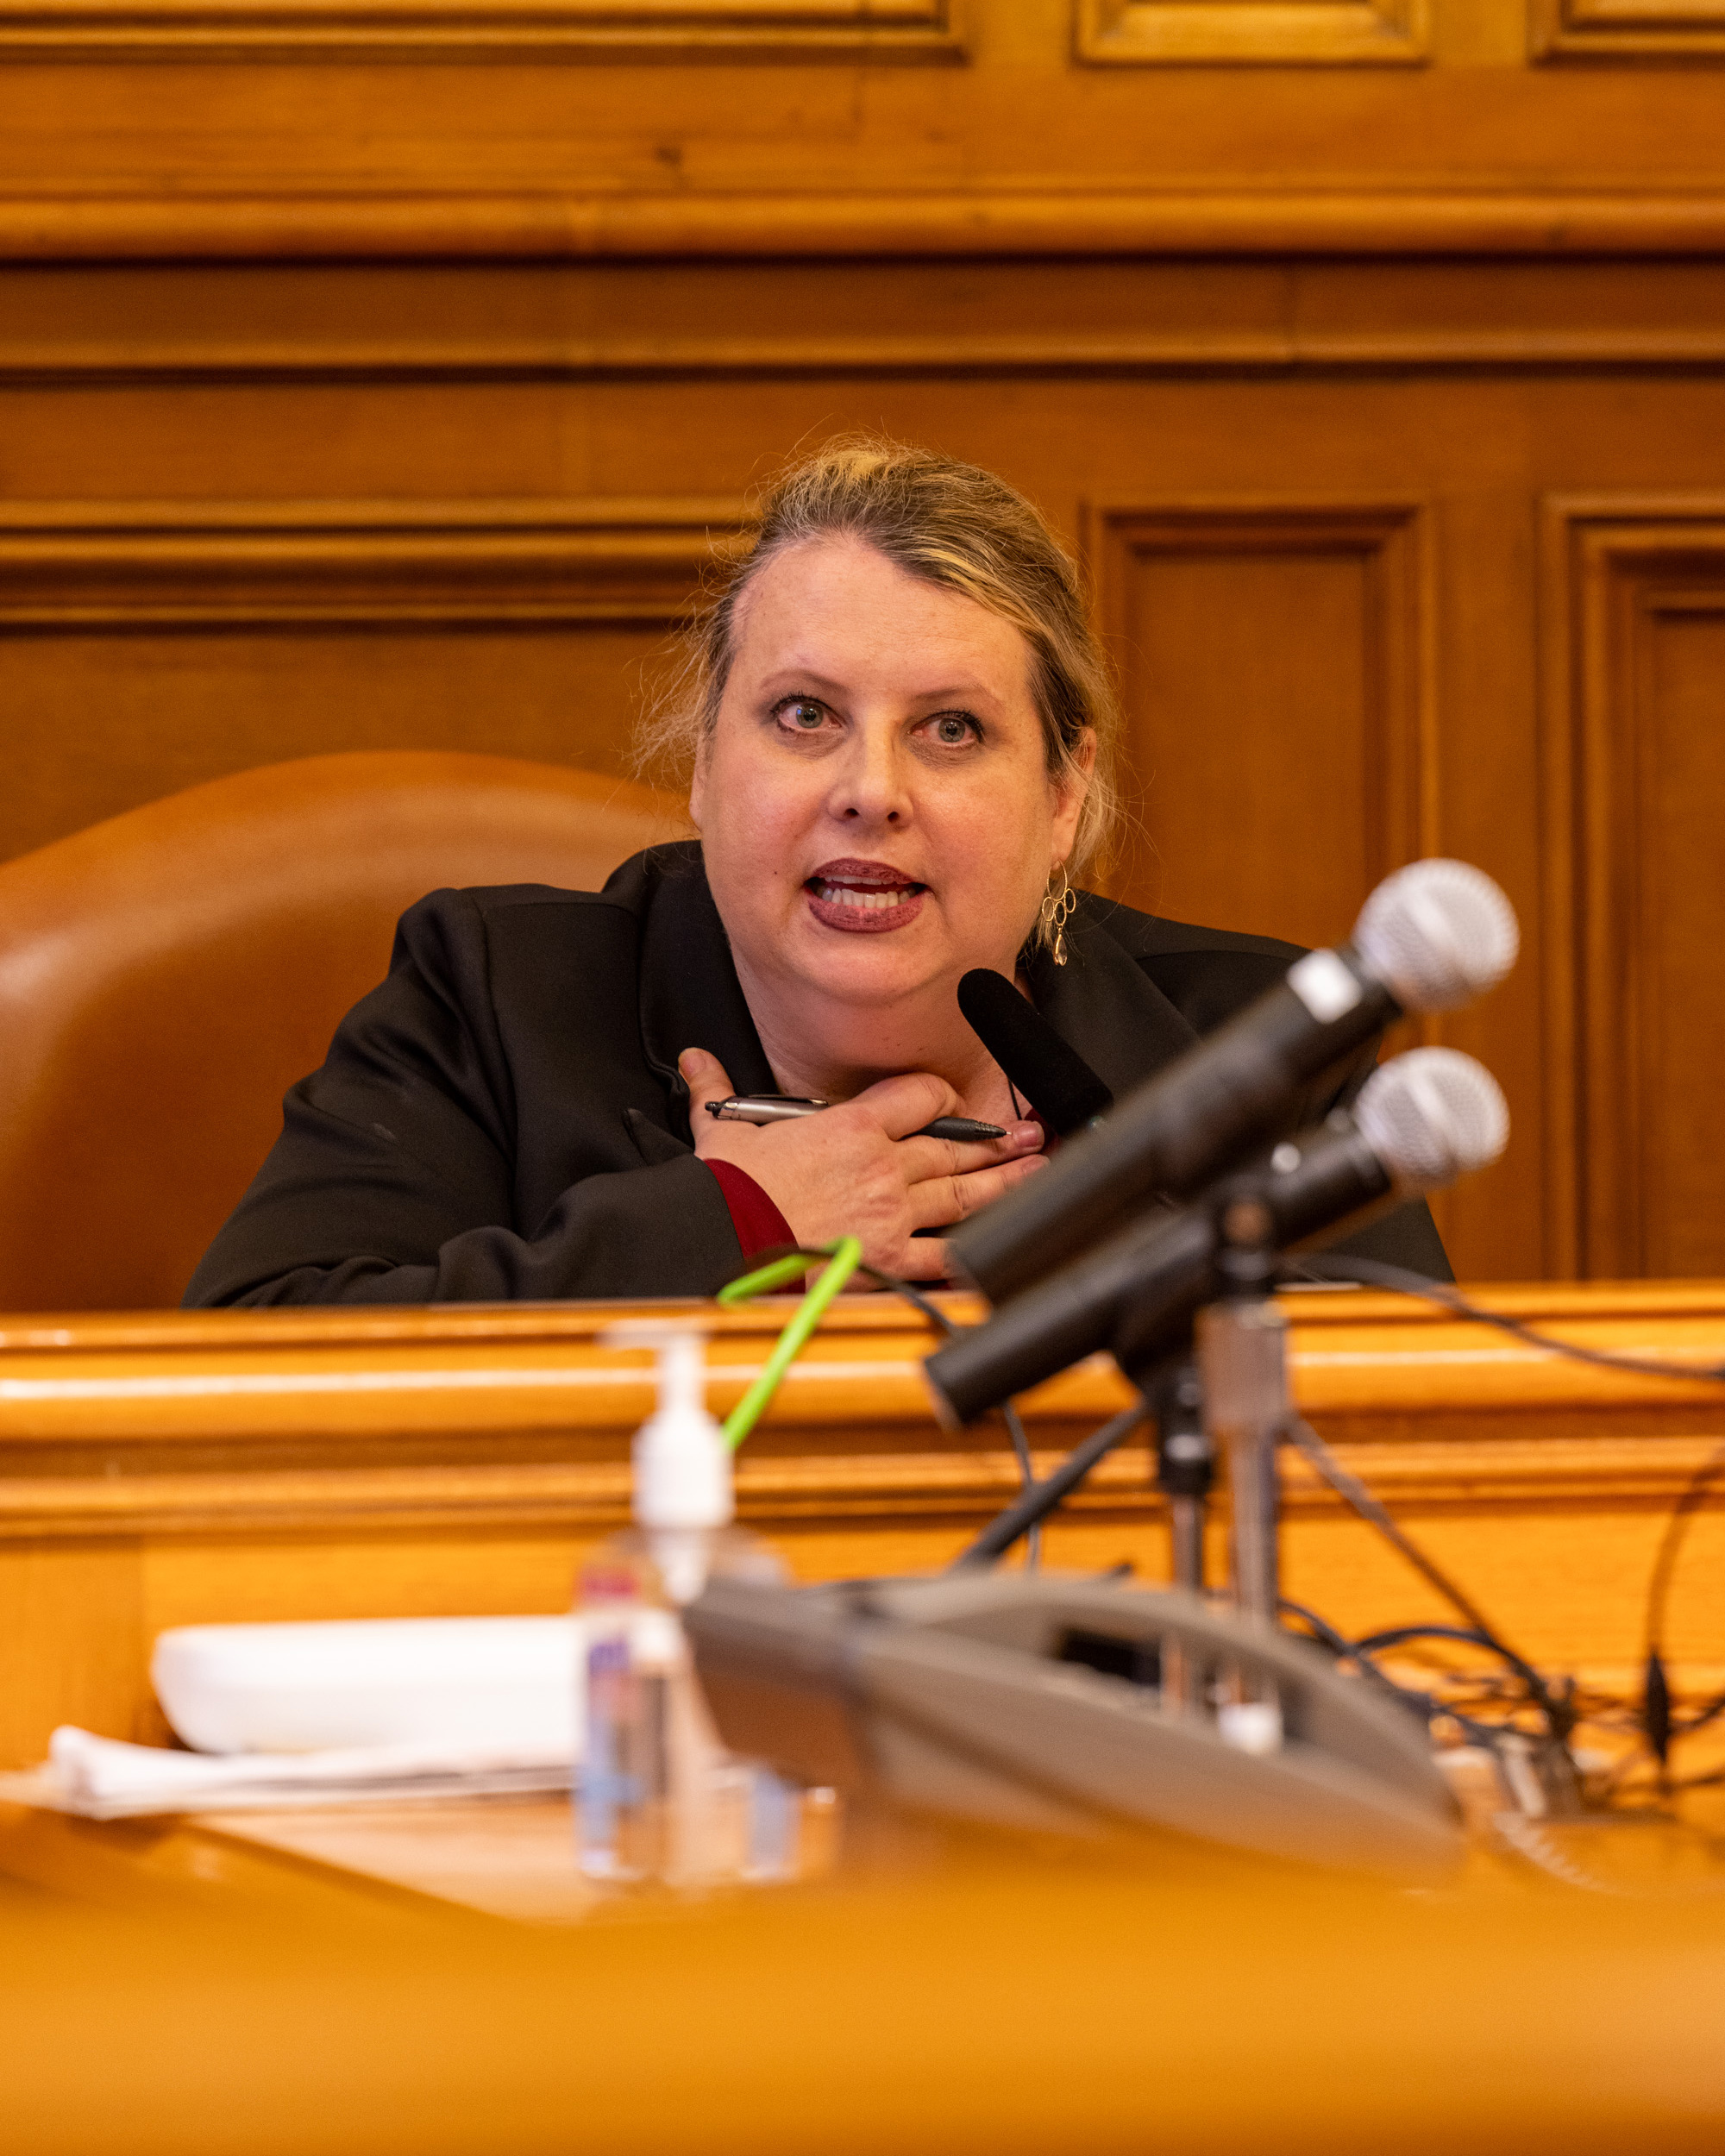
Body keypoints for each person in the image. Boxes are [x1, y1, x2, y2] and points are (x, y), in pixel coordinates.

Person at [185, 441, 1447, 1309]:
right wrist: (738, 1217)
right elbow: (259, 1353)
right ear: (700, 764)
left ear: (1065, 797)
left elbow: (1418, 1448)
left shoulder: (1262, 1058)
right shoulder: (495, 998)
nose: (871, 788)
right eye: (803, 716)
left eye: (951, 729)